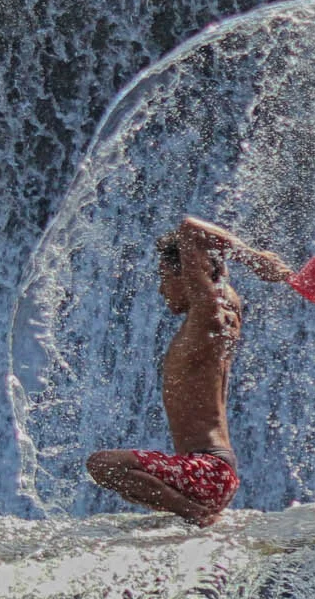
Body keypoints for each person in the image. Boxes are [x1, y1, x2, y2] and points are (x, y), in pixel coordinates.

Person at [87, 216, 290, 525]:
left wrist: (253, 258)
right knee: (132, 482)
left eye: (164, 277)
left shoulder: (208, 313)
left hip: (208, 471)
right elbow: (213, 267)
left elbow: (190, 229)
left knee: (103, 464)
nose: (161, 289)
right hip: (212, 471)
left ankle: (198, 516)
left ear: (189, 276)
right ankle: (195, 511)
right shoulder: (223, 312)